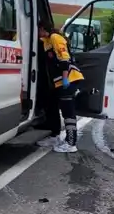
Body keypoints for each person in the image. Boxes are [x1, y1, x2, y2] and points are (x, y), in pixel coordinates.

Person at [35, 21, 84, 153]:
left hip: (69, 79)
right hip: (59, 82)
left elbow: (64, 59)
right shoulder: (46, 40)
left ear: (42, 28)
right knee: (57, 108)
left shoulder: (55, 38)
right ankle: (56, 136)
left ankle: (71, 143)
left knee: (68, 113)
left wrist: (65, 77)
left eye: (37, 29)